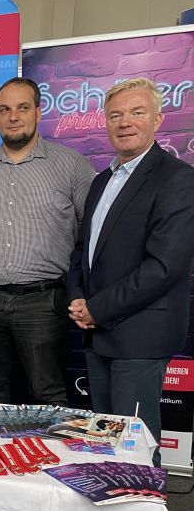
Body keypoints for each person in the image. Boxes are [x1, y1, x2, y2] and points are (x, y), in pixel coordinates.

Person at [67, 77, 194, 466]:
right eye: (116, 115)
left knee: (135, 445)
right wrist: (76, 296)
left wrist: (97, 308)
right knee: (105, 440)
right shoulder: (102, 180)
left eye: (137, 113)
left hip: (139, 334)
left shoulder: (178, 178)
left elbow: (164, 266)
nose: (125, 122)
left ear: (157, 118)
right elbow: (82, 249)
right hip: (98, 331)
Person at [0, 77, 95, 406]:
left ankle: (53, 459)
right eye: (4, 109)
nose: (13, 117)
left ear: (38, 111)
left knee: (47, 391)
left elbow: (90, 229)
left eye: (22, 108)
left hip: (44, 302)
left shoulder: (70, 165)